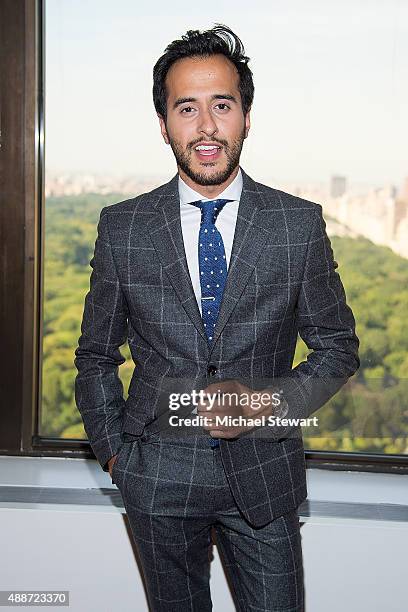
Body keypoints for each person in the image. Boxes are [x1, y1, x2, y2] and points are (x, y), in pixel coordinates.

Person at [74, 24, 359, 612]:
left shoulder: (295, 224)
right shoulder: (123, 227)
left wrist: (266, 403)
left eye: (221, 105)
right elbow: (96, 357)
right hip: (155, 475)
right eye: (187, 108)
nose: (206, 127)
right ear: (163, 123)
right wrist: (117, 458)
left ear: (246, 116)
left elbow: (337, 349)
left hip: (264, 473)